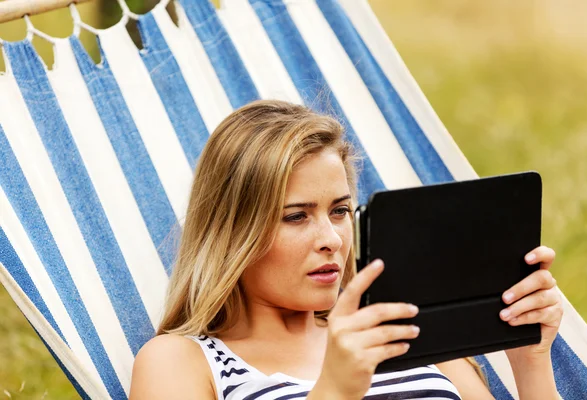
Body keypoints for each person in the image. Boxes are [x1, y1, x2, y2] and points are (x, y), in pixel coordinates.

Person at [129, 100, 563, 399]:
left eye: (339, 211)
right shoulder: (181, 361)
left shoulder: (402, 330)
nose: (333, 239)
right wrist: (335, 389)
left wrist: (531, 360)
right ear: (231, 232)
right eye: (296, 216)